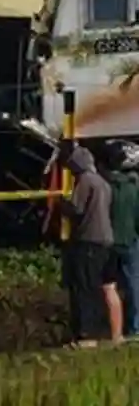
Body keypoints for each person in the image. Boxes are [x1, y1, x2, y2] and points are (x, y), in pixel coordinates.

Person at [60, 145, 118, 348]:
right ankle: (110, 333)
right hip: (106, 239)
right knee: (103, 287)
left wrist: (62, 204)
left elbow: (76, 208)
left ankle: (86, 335)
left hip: (89, 240)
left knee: (84, 287)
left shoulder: (84, 181)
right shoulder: (103, 182)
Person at [104, 141, 139, 338]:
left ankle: (114, 328)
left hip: (109, 240)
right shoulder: (134, 186)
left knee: (109, 286)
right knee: (134, 285)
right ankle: (135, 328)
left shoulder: (105, 185)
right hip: (131, 239)